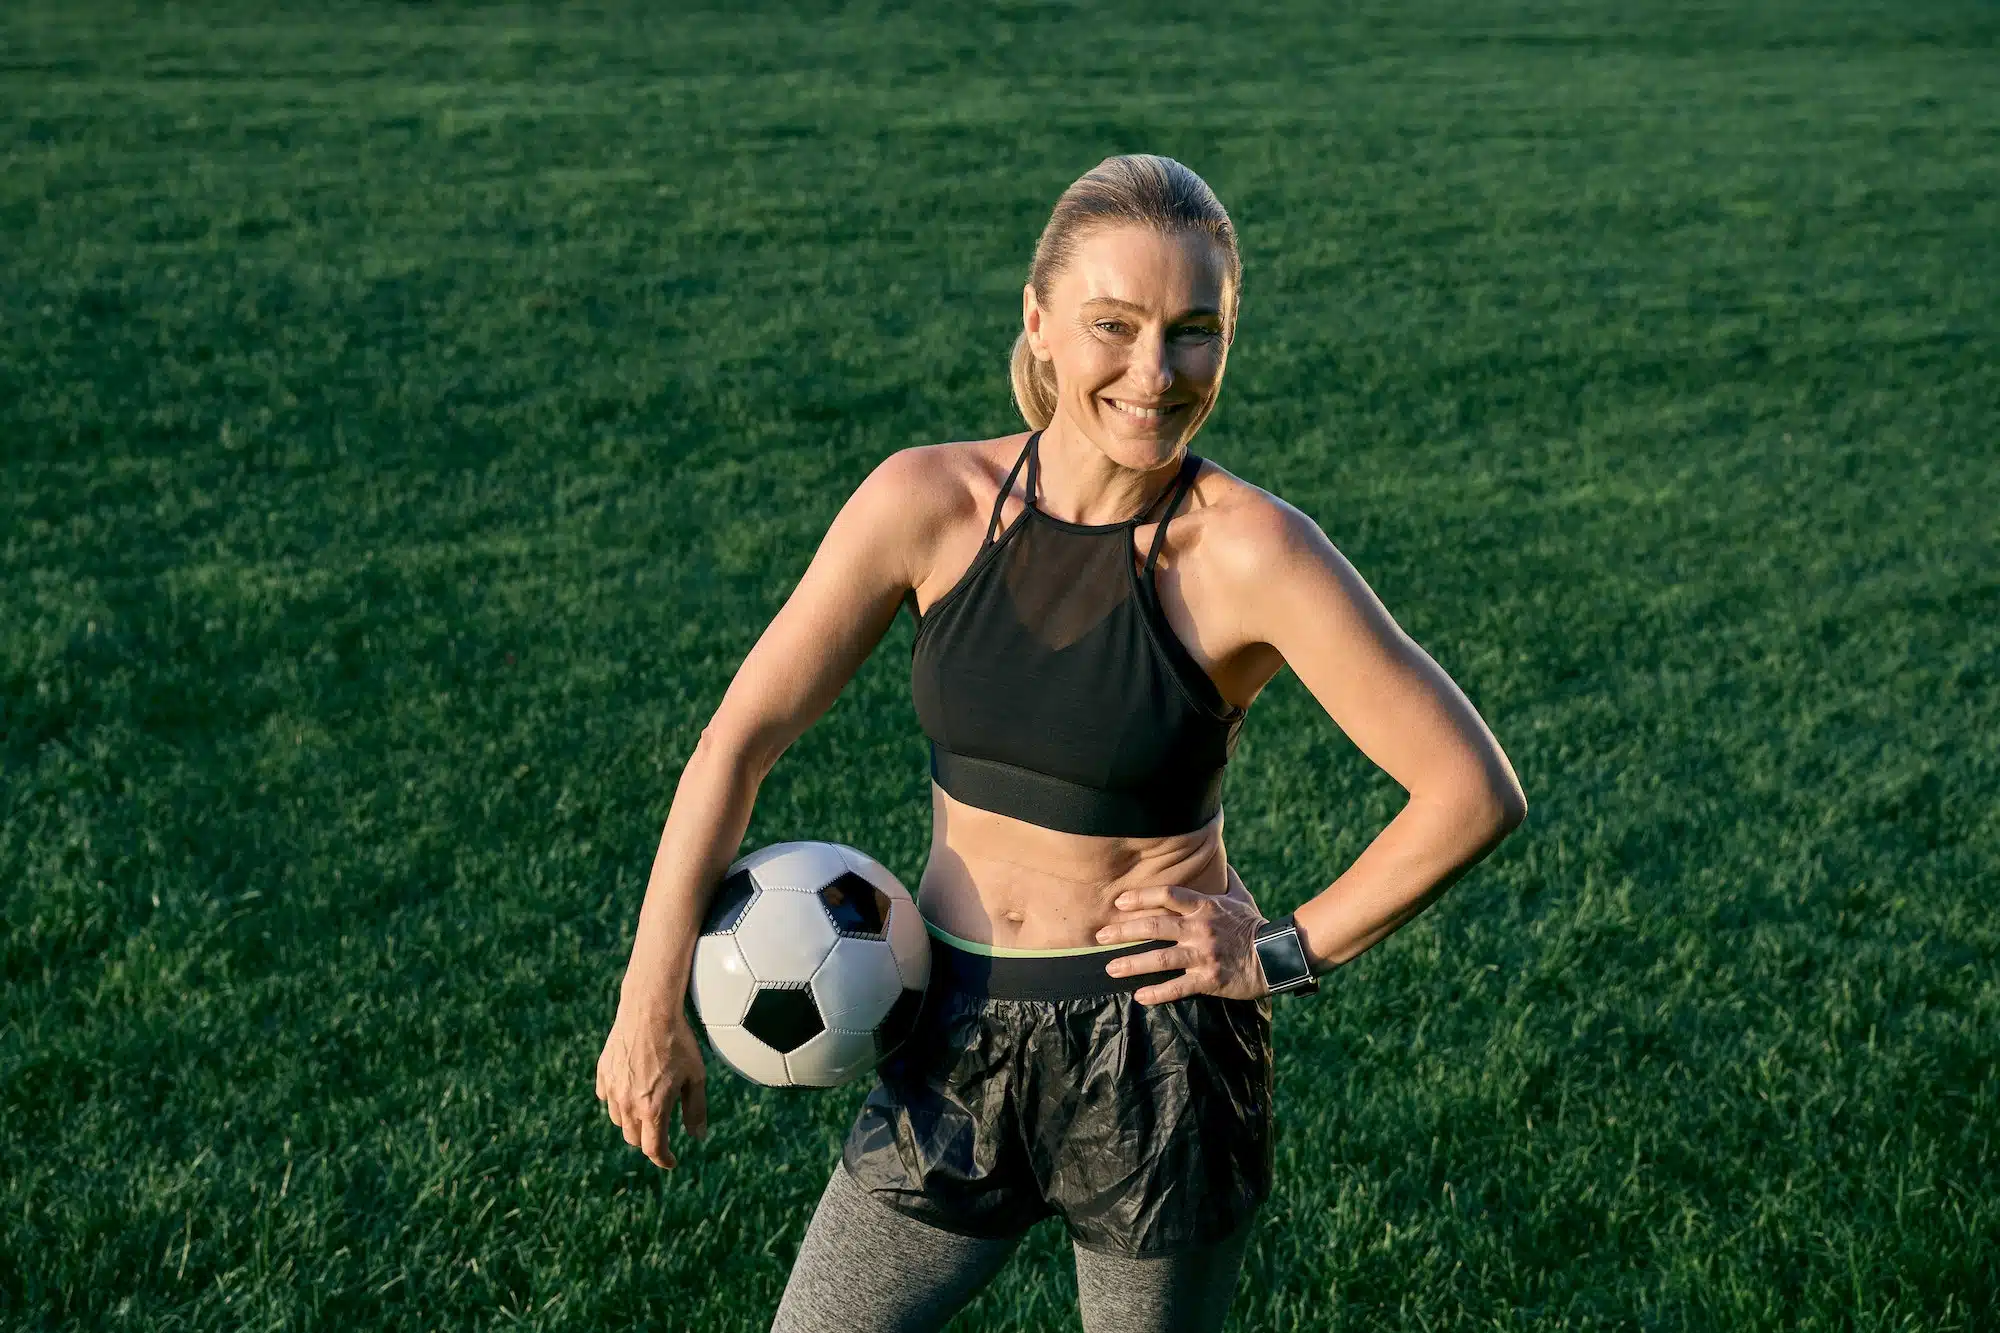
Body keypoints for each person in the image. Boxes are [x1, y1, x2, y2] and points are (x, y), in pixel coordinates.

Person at [595, 153, 1528, 1333]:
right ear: (1038, 323)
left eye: (1195, 331)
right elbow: (737, 739)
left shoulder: (1251, 553)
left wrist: (1282, 950)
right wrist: (646, 997)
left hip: (1157, 1059)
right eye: (1113, 325)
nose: (1155, 372)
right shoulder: (926, 501)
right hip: (942, 1029)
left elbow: (1468, 790)